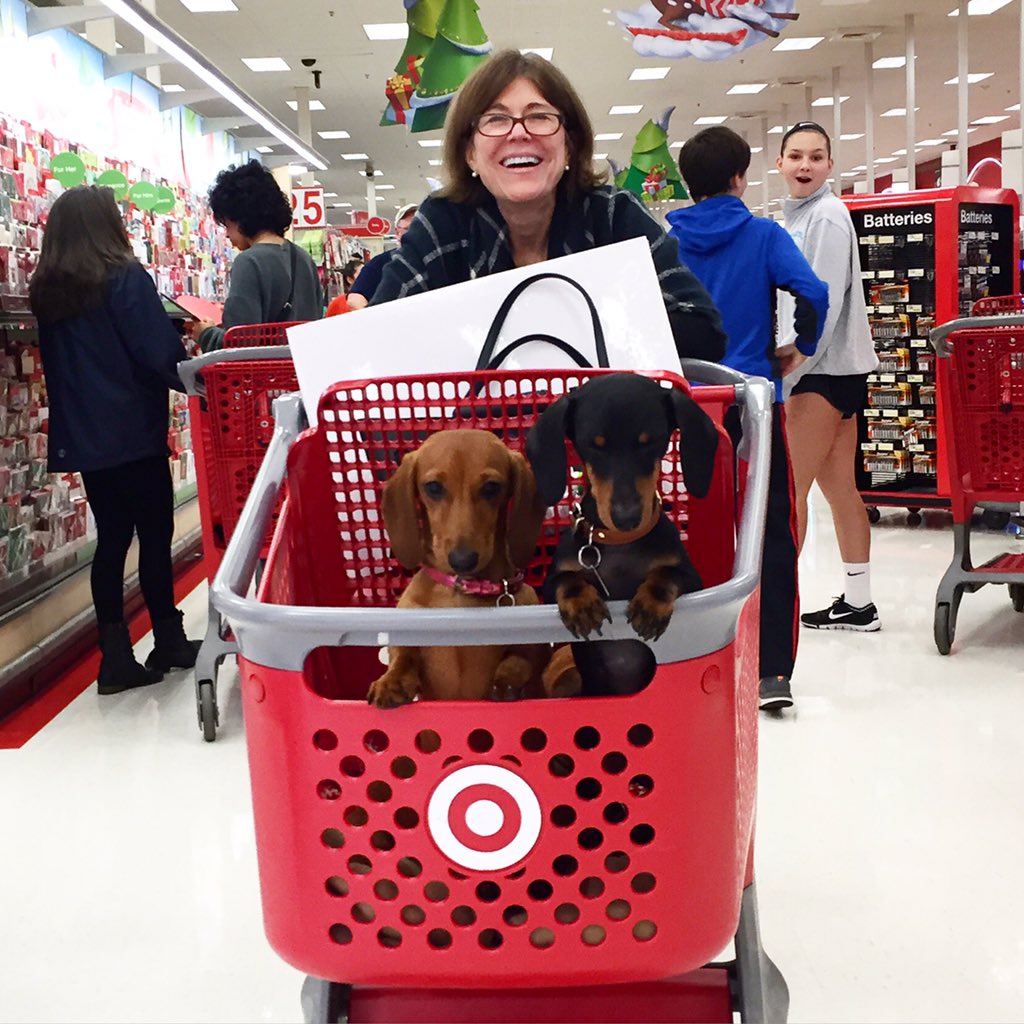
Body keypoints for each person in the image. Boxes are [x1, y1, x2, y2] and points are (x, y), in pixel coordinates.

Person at [370, 49, 725, 362]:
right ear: (470, 154)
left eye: (539, 116)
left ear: (569, 145)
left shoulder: (612, 215)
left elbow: (702, 330)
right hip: (476, 433)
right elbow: (375, 339)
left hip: (596, 432)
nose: (519, 132)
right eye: (496, 119)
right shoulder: (444, 220)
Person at [667, 125, 829, 712]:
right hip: (755, 407)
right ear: (740, 177)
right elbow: (812, 291)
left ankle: (691, 657)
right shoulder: (764, 235)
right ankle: (772, 675)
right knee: (772, 535)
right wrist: (799, 347)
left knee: (691, 529)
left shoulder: (666, 243)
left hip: (687, 410)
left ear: (687, 181)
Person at [29, 187, 200, 694]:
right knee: (154, 534)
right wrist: (196, 376)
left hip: (86, 437)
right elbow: (154, 349)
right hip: (132, 431)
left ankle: (115, 656)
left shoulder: (51, 290)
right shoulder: (124, 277)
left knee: (112, 541)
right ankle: (167, 639)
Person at [775, 122, 881, 633]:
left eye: (816, 157)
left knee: (788, 493)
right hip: (835, 371)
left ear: (830, 165)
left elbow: (824, 302)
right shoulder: (799, 216)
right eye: (796, 156)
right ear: (779, 163)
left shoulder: (827, 218)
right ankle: (859, 603)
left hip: (819, 372)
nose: (805, 166)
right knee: (840, 488)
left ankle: (776, 612)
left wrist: (793, 370)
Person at [191, 160, 323, 350]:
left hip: (265, 376)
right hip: (302, 371)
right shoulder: (303, 258)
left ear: (241, 217)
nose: (227, 234)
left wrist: (206, 334)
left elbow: (241, 344)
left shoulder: (249, 261)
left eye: (227, 224)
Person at [346, 203, 418, 310]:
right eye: (407, 229)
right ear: (397, 232)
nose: (413, 234)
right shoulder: (381, 262)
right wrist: (374, 320)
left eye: (417, 228)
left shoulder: (438, 261)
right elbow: (354, 298)